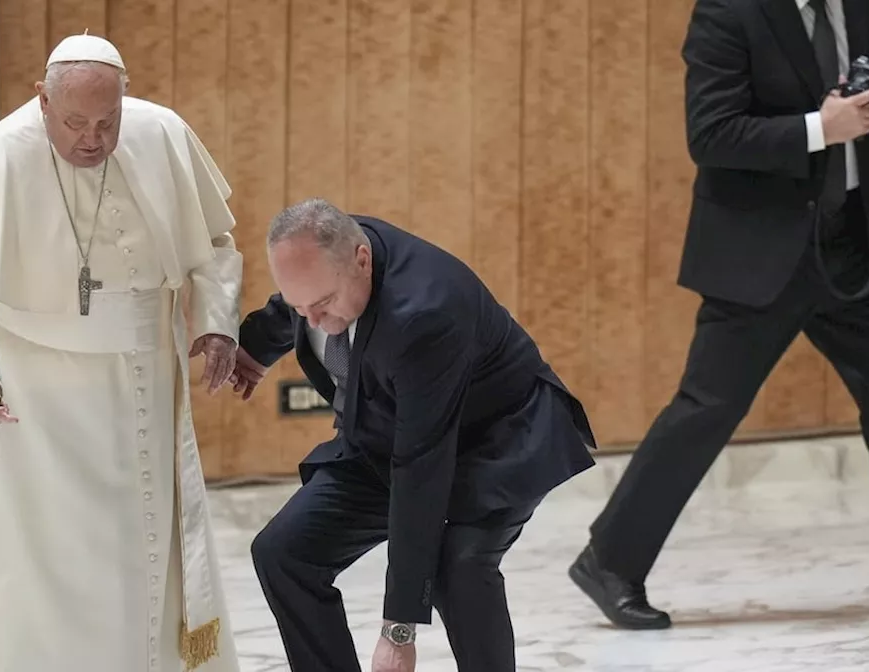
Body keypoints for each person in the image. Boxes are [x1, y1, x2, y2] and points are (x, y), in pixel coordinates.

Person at [0, 34, 244, 672]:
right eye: (77, 122)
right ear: (43, 101)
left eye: (108, 122)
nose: (94, 138)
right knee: (43, 577)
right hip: (37, 404)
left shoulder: (161, 136)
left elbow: (213, 244)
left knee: (140, 559)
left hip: (143, 384)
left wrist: (215, 323)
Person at [568, 0, 869, 630]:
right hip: (760, 253)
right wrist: (821, 128)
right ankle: (609, 561)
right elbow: (710, 134)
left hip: (855, 243)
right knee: (706, 410)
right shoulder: (730, 11)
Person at [229, 198, 597, 672]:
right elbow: (293, 306)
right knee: (284, 553)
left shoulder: (426, 313)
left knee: (458, 567)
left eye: (320, 306)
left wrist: (398, 631)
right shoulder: (327, 257)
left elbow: (420, 467)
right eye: (303, 308)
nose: (313, 321)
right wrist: (251, 350)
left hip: (497, 440)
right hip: (388, 431)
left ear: (362, 260)